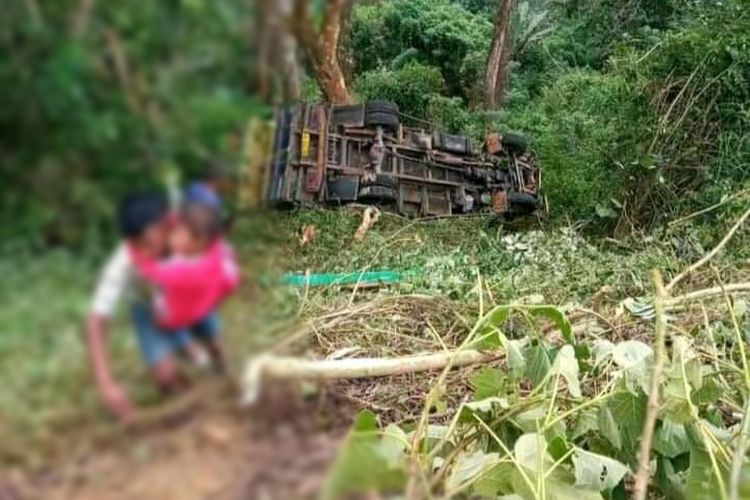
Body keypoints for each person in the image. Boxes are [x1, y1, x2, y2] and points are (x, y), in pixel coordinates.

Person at [85, 193, 224, 423]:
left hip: (188, 295)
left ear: (166, 224)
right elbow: (95, 319)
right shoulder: (123, 263)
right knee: (165, 377)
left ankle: (224, 376)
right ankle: (196, 409)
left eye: (151, 242)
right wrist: (105, 383)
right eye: (140, 245)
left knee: (215, 344)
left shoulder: (187, 229)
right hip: (149, 307)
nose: (147, 252)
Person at [128, 201, 240, 371]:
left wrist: (139, 260)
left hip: (179, 311)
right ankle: (215, 356)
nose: (172, 236)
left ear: (198, 241)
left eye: (178, 233)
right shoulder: (214, 255)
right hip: (199, 306)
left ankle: (194, 351)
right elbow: (229, 276)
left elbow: (150, 271)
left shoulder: (178, 265)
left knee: (169, 320)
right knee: (209, 332)